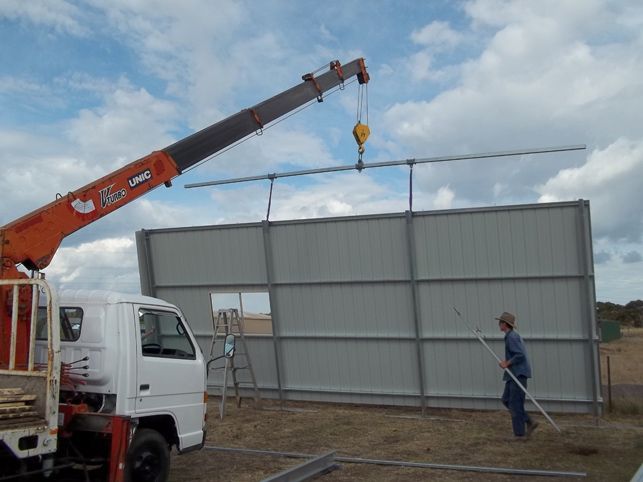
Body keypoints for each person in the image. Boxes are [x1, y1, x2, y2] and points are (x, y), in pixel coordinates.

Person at [496, 311, 539, 440]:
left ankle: (519, 434)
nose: (498, 324)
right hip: (512, 374)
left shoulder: (512, 337)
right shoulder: (510, 336)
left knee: (515, 403)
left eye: (500, 322)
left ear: (505, 324)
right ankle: (529, 421)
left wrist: (507, 363)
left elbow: (519, 355)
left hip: (518, 374)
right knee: (506, 400)